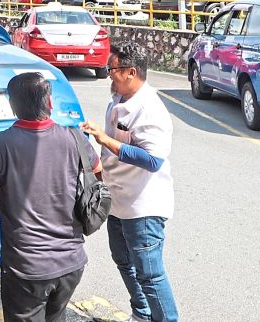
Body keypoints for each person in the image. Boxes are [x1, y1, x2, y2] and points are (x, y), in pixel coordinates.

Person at [0, 72, 101, 322]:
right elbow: (97, 173)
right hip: (71, 262)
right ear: (50, 102)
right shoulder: (75, 137)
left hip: (27, 267)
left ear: (12, 106)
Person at [82, 47, 179, 322]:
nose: (108, 76)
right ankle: (142, 313)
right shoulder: (118, 99)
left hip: (143, 206)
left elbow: (153, 160)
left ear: (130, 72)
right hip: (117, 199)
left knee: (150, 273)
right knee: (124, 261)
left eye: (112, 70)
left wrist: (105, 140)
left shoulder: (150, 109)